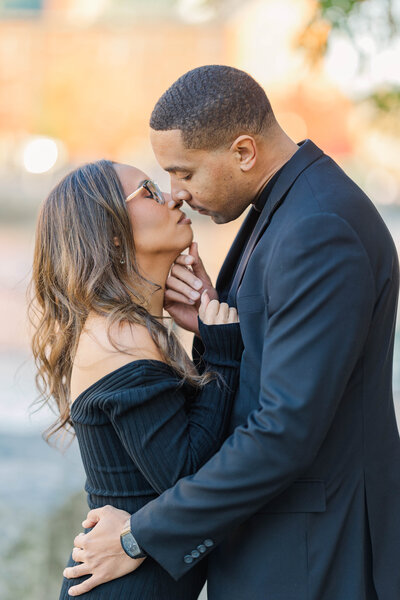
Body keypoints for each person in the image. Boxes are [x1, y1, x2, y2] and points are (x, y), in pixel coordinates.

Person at [63, 66, 400, 600]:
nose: (177, 194)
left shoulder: (317, 228)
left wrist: (136, 537)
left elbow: (283, 431)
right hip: (277, 547)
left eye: (184, 173)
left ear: (244, 152)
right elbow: (276, 372)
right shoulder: (286, 210)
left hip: (313, 555)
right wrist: (212, 323)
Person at [29, 158, 243, 600]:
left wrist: (203, 334)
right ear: (110, 233)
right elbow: (186, 474)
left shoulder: (127, 328)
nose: (173, 195)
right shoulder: (119, 337)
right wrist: (221, 353)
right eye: (148, 191)